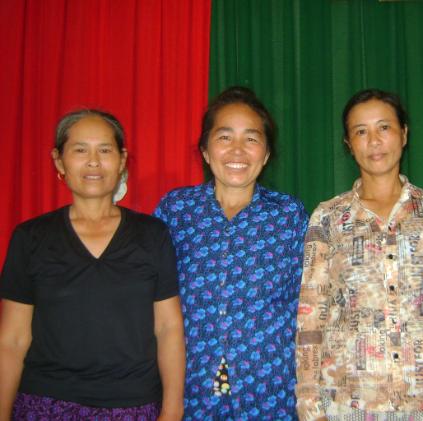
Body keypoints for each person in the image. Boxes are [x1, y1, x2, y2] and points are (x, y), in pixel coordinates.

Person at [295, 89, 423, 421]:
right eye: (361, 131)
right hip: (348, 404)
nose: (374, 141)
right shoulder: (328, 218)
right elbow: (310, 318)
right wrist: (310, 408)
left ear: (404, 134)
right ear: (348, 143)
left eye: (384, 127)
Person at [0, 109, 185, 420]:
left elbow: (168, 328)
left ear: (121, 160)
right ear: (59, 161)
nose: (94, 161)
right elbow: (12, 340)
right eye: (80, 150)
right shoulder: (30, 238)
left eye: (105, 150)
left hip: (133, 404)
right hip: (46, 404)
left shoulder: (153, 235)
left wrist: (172, 410)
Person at [154, 86, 309, 420]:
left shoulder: (289, 215)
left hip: (271, 393)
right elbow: (153, 301)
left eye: (251, 138)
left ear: (266, 154)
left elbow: (308, 306)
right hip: (190, 392)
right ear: (205, 150)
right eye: (224, 137)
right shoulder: (176, 210)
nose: (237, 149)